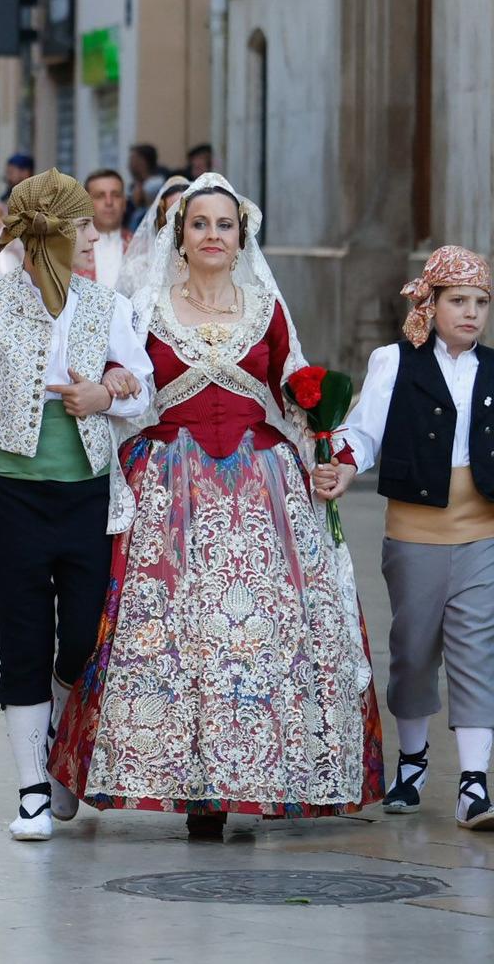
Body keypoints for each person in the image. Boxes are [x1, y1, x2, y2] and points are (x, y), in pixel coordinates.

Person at [49, 175, 383, 838]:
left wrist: (332, 456)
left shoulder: (266, 309)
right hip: (168, 487)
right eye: (198, 223)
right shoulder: (144, 305)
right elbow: (124, 383)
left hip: (260, 486)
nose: (211, 235)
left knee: (256, 636)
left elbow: (299, 395)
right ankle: (187, 782)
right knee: (173, 636)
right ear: (180, 235)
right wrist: (110, 383)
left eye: (223, 225)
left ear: (241, 236)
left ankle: (242, 778)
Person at [0, 170, 152, 840]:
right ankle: (31, 785)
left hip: (87, 495)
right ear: (51, 234)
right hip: (16, 496)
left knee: (81, 639)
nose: (93, 236)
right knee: (22, 638)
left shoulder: (107, 306)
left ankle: (58, 740)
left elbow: (143, 392)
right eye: (83, 226)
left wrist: (107, 394)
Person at [324, 246, 494, 831]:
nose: (471, 313)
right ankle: (414, 761)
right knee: (414, 651)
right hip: (414, 529)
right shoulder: (394, 362)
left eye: (480, 302)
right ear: (431, 302)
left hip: (482, 529)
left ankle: (474, 783)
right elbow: (364, 429)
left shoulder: (492, 370)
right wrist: (343, 465)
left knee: (476, 651)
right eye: (458, 301)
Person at [115, 174, 190, 299]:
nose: (180, 223)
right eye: (172, 216)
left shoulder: (209, 265)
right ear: (162, 221)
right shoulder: (135, 271)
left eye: (187, 215)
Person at [78, 169, 133, 290]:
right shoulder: (72, 249)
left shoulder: (140, 246)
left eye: (116, 195)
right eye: (100, 196)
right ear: (85, 204)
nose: (109, 202)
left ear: (124, 203)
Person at [126, 143, 166, 230]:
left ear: (142, 162)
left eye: (133, 159)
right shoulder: (136, 184)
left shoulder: (156, 183)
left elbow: (138, 201)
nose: (129, 165)